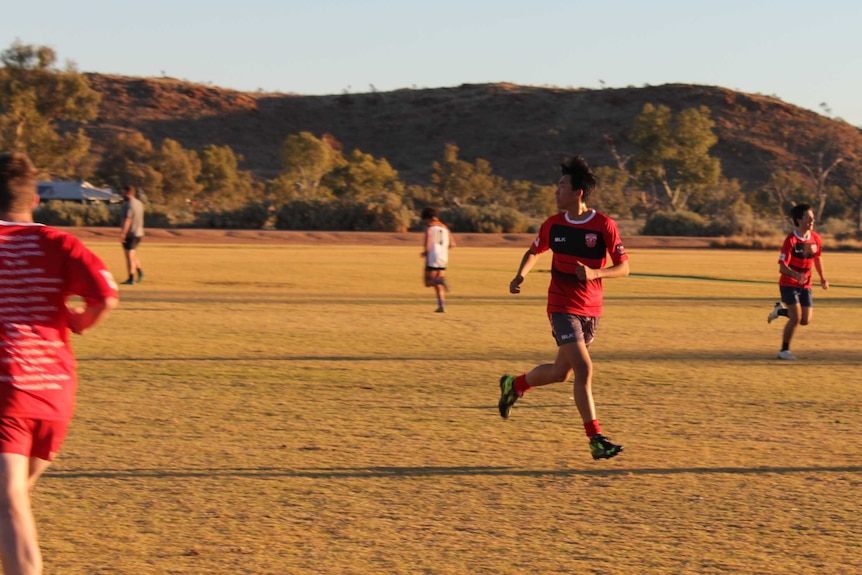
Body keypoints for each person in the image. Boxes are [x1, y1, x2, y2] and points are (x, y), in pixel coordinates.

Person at [0, 151, 118, 575]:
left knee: (8, 501)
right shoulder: (60, 242)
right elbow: (106, 296)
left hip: (7, 387)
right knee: (11, 503)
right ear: (34, 200)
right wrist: (77, 323)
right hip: (54, 390)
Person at [498, 155, 630, 461]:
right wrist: (521, 274)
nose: (556, 191)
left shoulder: (603, 225)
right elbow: (535, 250)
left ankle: (514, 384)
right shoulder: (553, 224)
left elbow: (624, 267)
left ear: (578, 192)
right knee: (584, 369)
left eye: (561, 186)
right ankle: (595, 438)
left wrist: (597, 273)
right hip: (561, 306)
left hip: (591, 309)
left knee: (561, 372)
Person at [766, 203, 829, 360]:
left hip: (806, 285)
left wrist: (822, 277)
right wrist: (796, 275)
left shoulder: (816, 238)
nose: (812, 221)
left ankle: (779, 311)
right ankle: (784, 350)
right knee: (795, 318)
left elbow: (817, 258)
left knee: (805, 320)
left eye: (813, 218)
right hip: (788, 284)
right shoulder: (791, 240)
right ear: (799, 219)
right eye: (808, 217)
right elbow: (782, 267)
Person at [420, 207, 455, 313]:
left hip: (433, 257)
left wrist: (425, 252)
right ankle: (441, 305)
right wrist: (442, 249)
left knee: (428, 282)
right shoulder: (445, 227)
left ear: (427, 218)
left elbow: (428, 240)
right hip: (443, 257)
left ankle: (439, 281)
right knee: (438, 285)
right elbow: (453, 244)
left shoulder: (429, 227)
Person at [119, 184, 145, 285]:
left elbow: (127, 220)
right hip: (139, 232)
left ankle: (131, 278)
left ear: (128, 192)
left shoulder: (129, 204)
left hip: (131, 233)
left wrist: (123, 233)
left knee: (129, 255)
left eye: (123, 192)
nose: (122, 194)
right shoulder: (139, 203)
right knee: (131, 254)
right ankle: (140, 271)